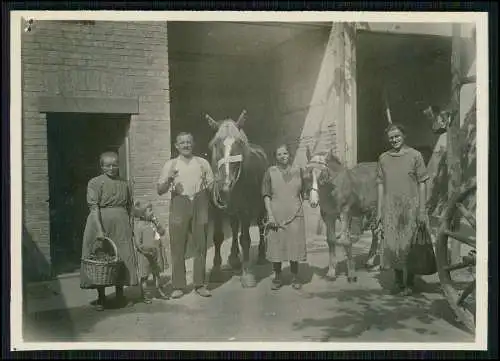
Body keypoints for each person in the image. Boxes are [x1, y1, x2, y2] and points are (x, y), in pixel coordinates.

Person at [157, 132, 214, 299]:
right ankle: (178, 286)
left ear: (193, 144)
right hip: (179, 204)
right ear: (176, 145)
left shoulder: (202, 163)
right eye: (182, 143)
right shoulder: (171, 164)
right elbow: (159, 191)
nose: (186, 145)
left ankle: (199, 284)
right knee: (177, 246)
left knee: (201, 245)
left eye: (189, 142)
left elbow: (212, 188)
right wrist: (168, 180)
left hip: (200, 202)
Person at [80, 151, 139, 311]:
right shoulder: (95, 183)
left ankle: (120, 294)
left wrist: (131, 226)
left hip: (121, 223)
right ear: (101, 166)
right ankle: (101, 297)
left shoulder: (125, 183)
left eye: (115, 164)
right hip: (100, 222)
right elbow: (94, 207)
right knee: (101, 257)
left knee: (122, 256)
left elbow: (130, 206)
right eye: (108, 165)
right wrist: (99, 230)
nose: (112, 168)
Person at [376, 123, 429, 296]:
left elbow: (422, 183)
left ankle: (410, 283)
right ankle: (398, 281)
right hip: (390, 209)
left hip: (411, 208)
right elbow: (380, 186)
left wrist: (422, 210)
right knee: (393, 246)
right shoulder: (383, 158)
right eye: (391, 137)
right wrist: (379, 211)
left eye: (397, 136)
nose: (394, 140)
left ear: (404, 136)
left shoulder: (415, 156)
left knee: (409, 245)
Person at [262, 144, 307, 290]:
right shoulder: (270, 172)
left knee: (294, 245)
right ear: (275, 157)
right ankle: (278, 277)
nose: (283, 156)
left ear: (290, 155)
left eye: (285, 153)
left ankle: (295, 276)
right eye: (279, 154)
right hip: (276, 214)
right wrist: (270, 215)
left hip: (295, 214)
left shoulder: (298, 171)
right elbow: (266, 195)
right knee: (277, 245)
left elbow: (306, 192)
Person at [133, 201, 168, 303]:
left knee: (156, 273)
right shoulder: (139, 226)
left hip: (155, 252)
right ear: (143, 214)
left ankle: (159, 290)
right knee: (144, 276)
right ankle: (144, 294)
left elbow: (162, 232)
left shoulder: (153, 223)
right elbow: (138, 243)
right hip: (145, 255)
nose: (152, 212)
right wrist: (145, 250)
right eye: (150, 210)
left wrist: (157, 223)